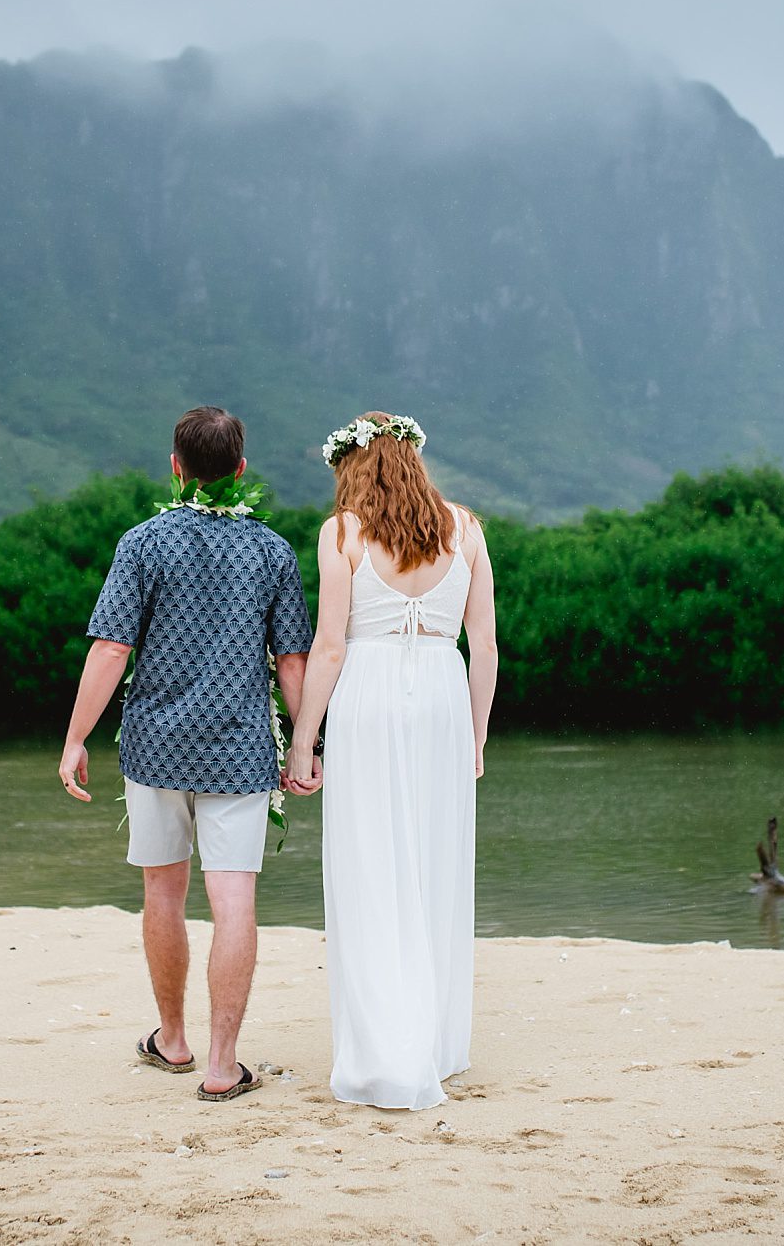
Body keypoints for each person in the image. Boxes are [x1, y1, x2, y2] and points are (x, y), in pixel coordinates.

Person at [58, 406, 314, 1102]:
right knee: (234, 902)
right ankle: (222, 1065)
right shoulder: (273, 552)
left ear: (175, 466)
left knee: (162, 895)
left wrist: (77, 736)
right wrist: (309, 745)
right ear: (240, 469)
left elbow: (112, 648)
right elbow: (293, 661)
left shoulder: (142, 542)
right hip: (239, 752)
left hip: (155, 748)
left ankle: (172, 1040)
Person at [286, 411, 497, 1111]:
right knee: (435, 864)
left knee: (371, 866)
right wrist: (476, 734)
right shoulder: (465, 527)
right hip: (440, 694)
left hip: (369, 702)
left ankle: (384, 1048)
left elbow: (332, 647)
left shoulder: (342, 532)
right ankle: (435, 1044)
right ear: (413, 457)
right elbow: (485, 645)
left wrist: (304, 739)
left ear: (351, 464)